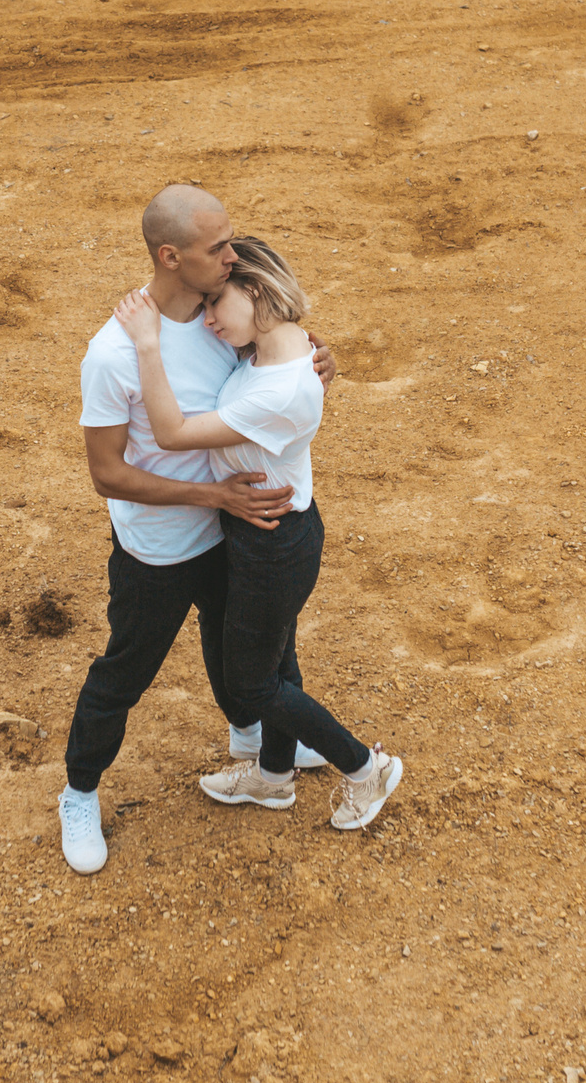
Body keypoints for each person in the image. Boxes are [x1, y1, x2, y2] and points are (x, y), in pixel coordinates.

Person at [60, 185, 334, 875]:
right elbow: (107, 473)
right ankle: (80, 790)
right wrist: (210, 492)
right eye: (218, 247)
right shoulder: (114, 353)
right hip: (159, 548)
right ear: (171, 255)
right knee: (124, 673)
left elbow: (274, 367)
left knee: (262, 650)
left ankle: (267, 744)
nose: (233, 255)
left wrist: (317, 361)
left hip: (235, 530)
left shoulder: (223, 317)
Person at [112, 236, 402, 833]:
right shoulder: (269, 351)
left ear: (255, 290)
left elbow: (169, 432)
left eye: (218, 301)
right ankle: (273, 777)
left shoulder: (279, 383)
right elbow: (297, 345)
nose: (210, 317)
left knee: (251, 682)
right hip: (264, 531)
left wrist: (147, 341)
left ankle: (363, 768)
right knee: (278, 661)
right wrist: (325, 353)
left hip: (274, 541)